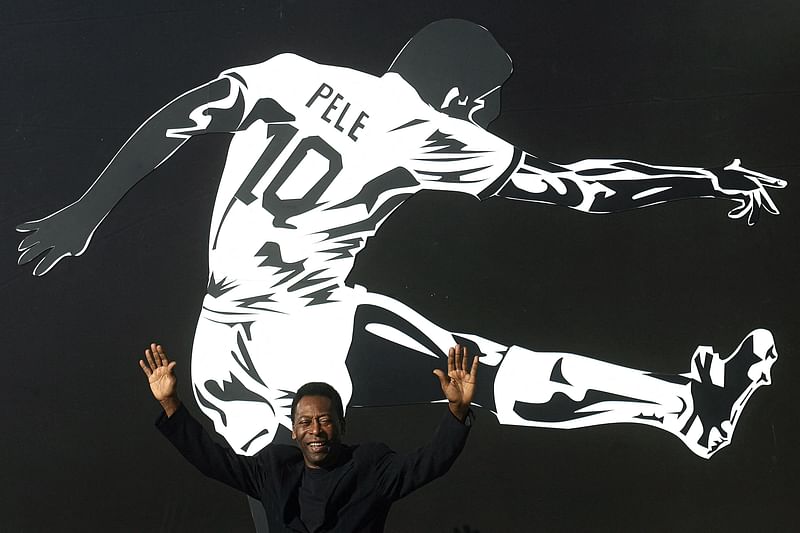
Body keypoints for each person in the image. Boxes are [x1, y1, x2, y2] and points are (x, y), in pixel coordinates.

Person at [19, 19, 783, 459]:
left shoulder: (293, 73)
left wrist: (89, 209)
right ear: (458, 96)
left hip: (217, 338)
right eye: (482, 107)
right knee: (486, 373)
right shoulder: (429, 129)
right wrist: (705, 180)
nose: (481, 122)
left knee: (276, 492)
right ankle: (687, 411)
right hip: (307, 328)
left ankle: (687, 408)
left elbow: (184, 115)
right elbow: (584, 188)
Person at [139, 342, 478, 532]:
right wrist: (170, 403)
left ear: (341, 425)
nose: (315, 430)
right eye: (305, 422)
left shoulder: (371, 467)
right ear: (293, 430)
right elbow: (213, 460)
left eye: (325, 420)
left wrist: (457, 412)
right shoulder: (273, 469)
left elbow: (430, 462)